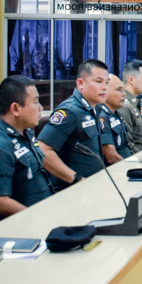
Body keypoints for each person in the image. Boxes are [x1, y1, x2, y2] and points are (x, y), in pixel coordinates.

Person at [0, 76, 53, 218]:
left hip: (47, 210)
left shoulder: (26, 133)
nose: (41, 108)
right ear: (16, 109)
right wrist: (36, 216)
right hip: (28, 221)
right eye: (35, 102)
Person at [37, 60, 109, 191]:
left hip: (93, 186)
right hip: (71, 190)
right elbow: (42, 149)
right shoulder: (70, 111)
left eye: (107, 82)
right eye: (98, 81)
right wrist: (76, 179)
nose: (104, 87)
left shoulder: (95, 108)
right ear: (80, 83)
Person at [118, 60, 142, 153]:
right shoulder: (124, 106)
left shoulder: (135, 101)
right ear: (131, 80)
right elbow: (129, 146)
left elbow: (138, 135)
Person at [100, 74, 133, 161]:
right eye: (119, 90)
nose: (124, 94)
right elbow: (111, 157)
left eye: (123, 90)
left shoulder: (117, 113)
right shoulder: (102, 117)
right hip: (119, 167)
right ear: (105, 92)